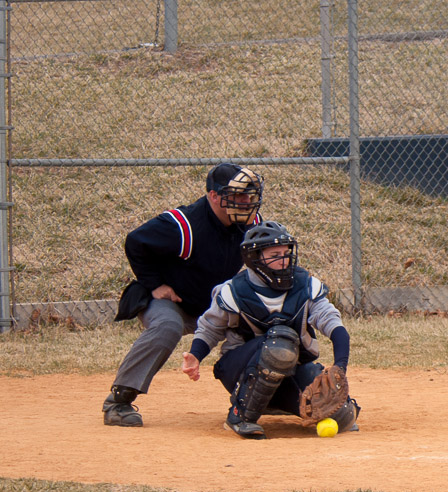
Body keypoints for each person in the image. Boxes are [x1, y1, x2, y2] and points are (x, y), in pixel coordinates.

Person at [103, 163, 264, 427]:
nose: (246, 202)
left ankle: (266, 397)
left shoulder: (250, 224)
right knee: (168, 326)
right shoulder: (183, 225)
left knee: (262, 323)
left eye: (249, 195)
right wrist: (154, 284)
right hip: (173, 302)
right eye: (238, 195)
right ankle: (119, 400)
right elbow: (135, 242)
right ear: (214, 196)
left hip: (213, 305)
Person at [180, 221, 360, 440]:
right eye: (275, 255)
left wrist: (340, 367)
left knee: (342, 415)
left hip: (290, 369)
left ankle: (276, 402)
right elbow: (210, 328)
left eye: (286, 254)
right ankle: (240, 415)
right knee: (280, 342)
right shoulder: (233, 291)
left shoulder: (305, 286)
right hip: (239, 370)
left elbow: (334, 325)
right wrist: (196, 355)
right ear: (254, 258)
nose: (284, 260)